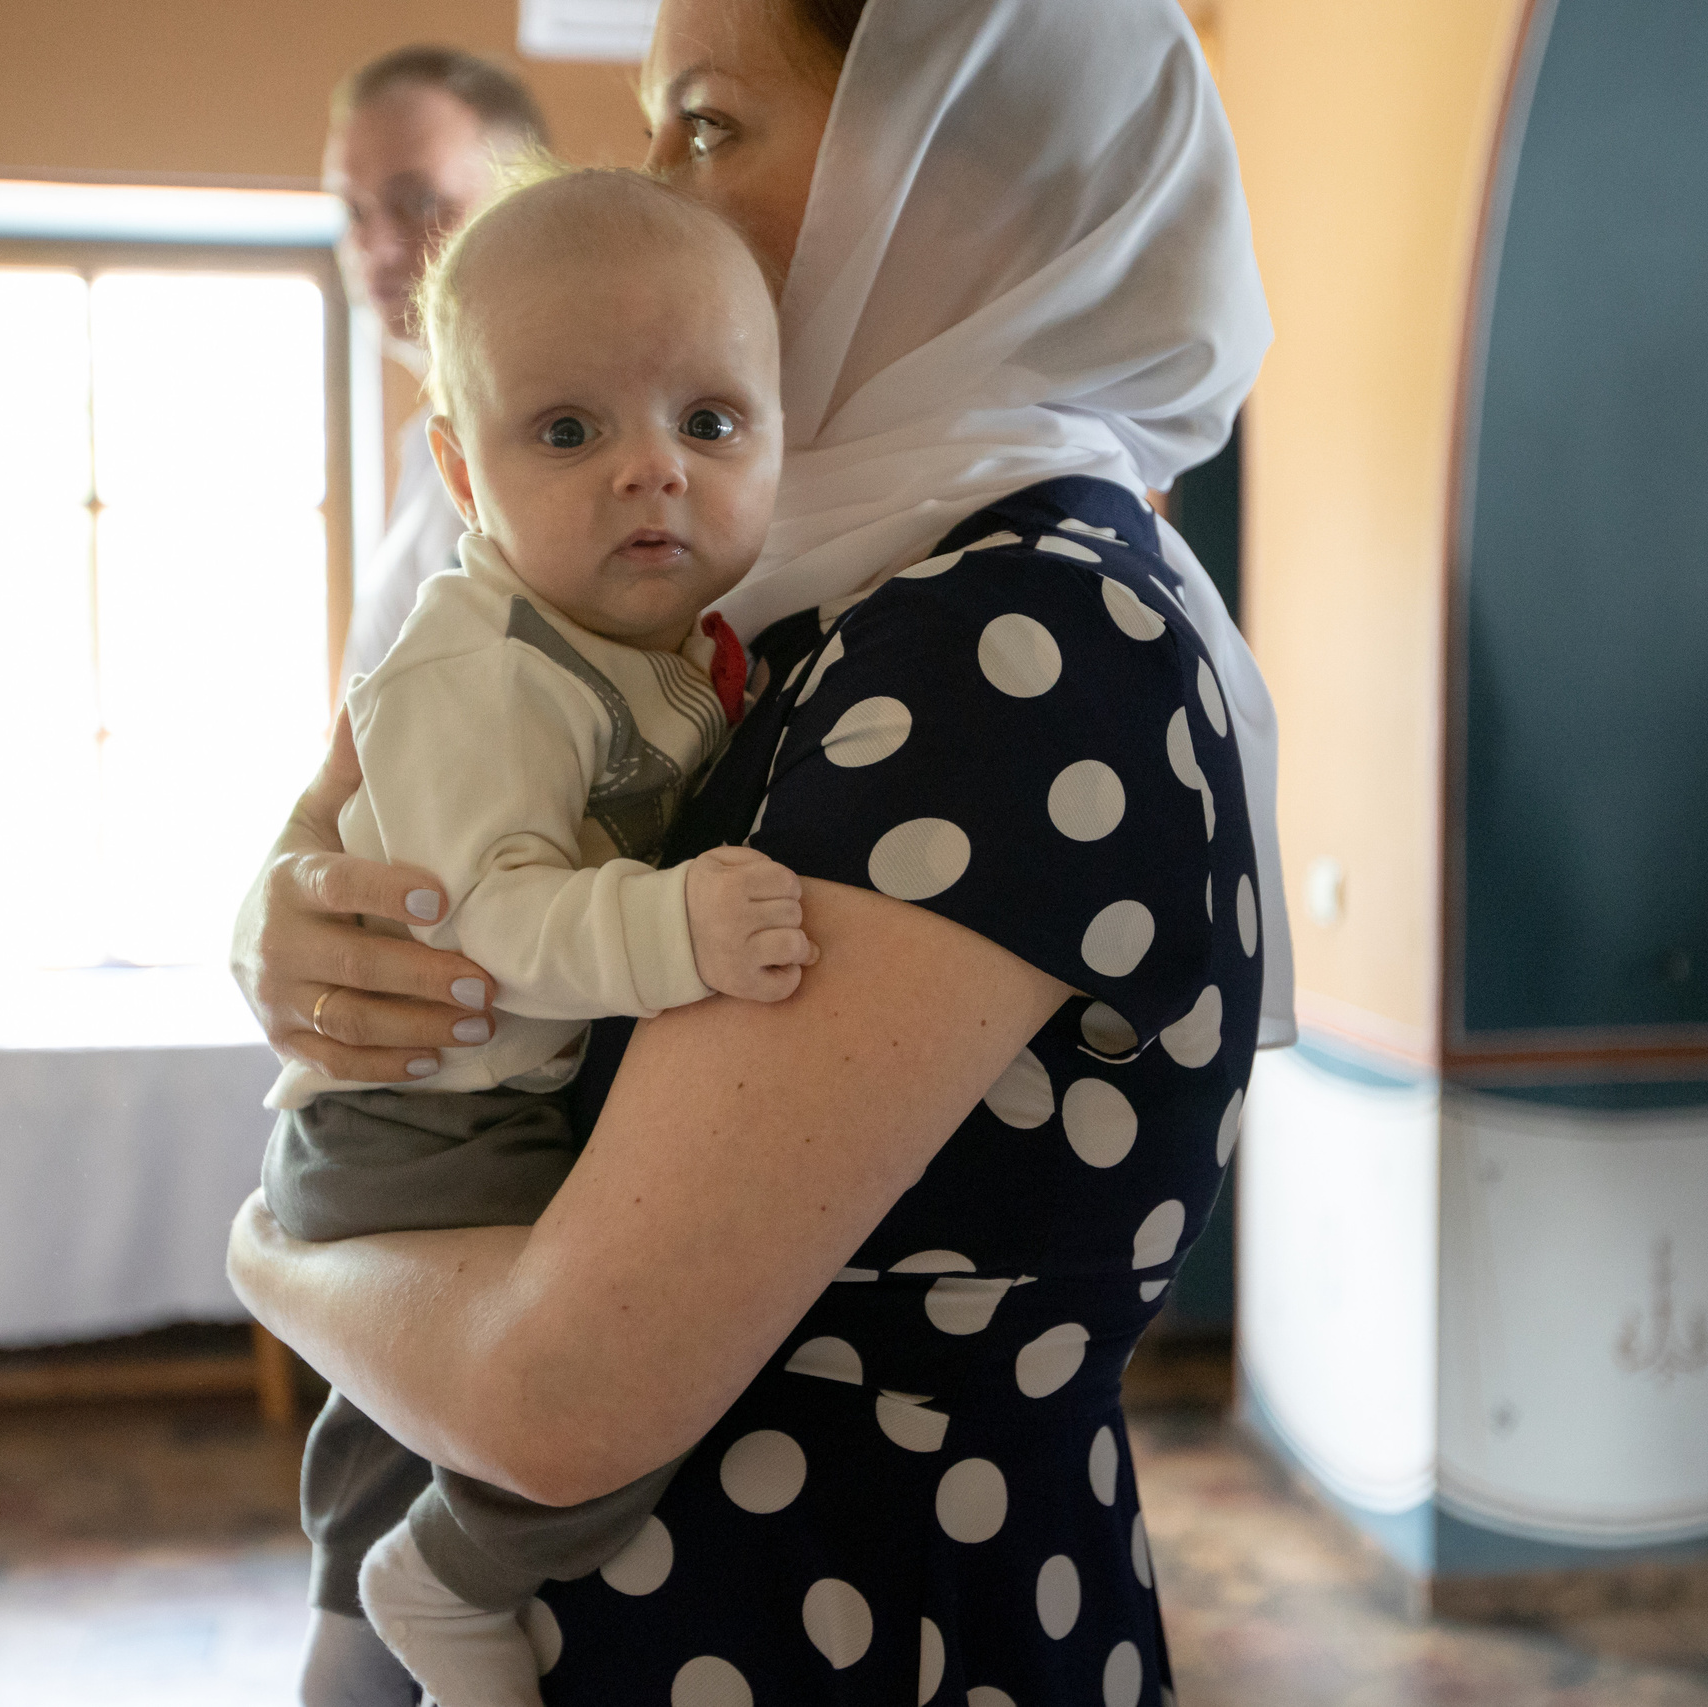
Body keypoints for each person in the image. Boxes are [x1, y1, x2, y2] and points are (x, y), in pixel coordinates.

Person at [229, 0, 1300, 1699]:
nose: (658, 186)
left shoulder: (1018, 633)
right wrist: (296, 915)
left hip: (851, 1625)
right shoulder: (815, 585)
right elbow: (426, 792)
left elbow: (560, 1393)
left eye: (711, 126)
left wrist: (275, 1253)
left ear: (966, 165)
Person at [268, 167, 814, 1707]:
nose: (652, 471)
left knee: (401, 1440)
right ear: (459, 466)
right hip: (416, 1116)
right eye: (569, 431)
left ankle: (373, 1615)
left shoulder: (653, 647)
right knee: (581, 1396)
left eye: (709, 423)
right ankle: (434, 1589)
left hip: (473, 1101)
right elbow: (492, 918)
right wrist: (679, 923)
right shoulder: (479, 667)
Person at [324, 46, 550, 681]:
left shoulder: (549, 449)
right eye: (353, 211)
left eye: (418, 203)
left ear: (523, 203)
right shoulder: (433, 445)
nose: (375, 247)